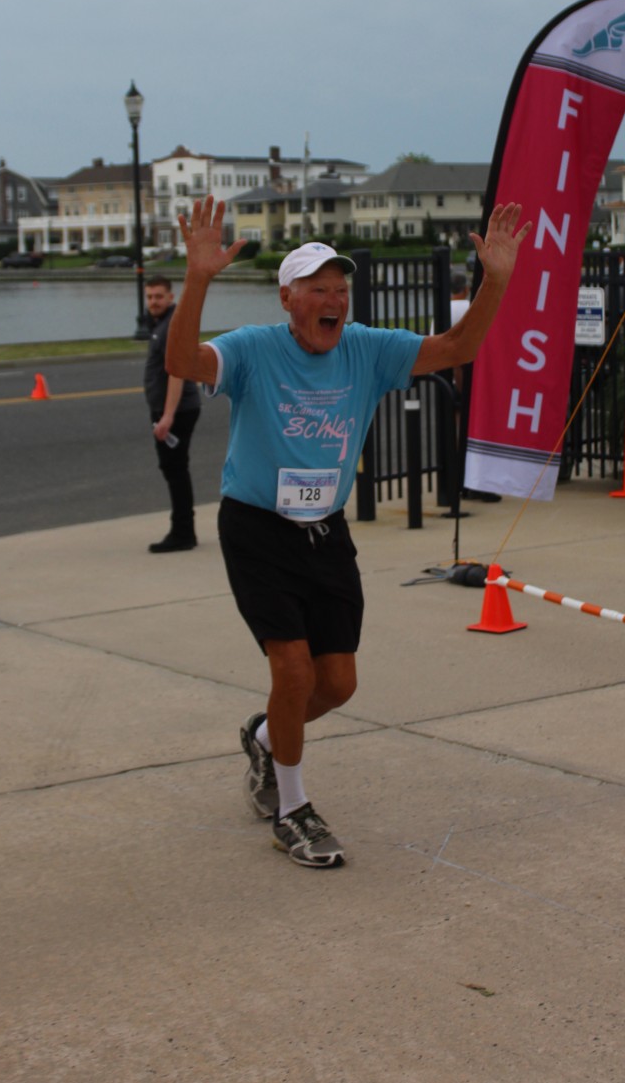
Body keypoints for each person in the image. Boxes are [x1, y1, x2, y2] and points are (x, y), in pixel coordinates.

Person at [166, 198, 530, 868]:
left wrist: (496, 280)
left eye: (340, 289)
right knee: (292, 669)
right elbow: (183, 360)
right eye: (318, 289)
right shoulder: (254, 349)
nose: (333, 300)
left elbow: (458, 348)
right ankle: (293, 809)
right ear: (287, 298)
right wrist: (197, 278)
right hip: (257, 527)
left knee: (336, 685)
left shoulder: (366, 348)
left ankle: (266, 740)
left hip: (325, 531)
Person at [144, 273, 200, 553]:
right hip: (170, 410)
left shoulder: (171, 326)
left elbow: (176, 372)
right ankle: (183, 529)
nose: (153, 301)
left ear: (170, 297)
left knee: (176, 470)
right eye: (149, 297)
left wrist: (167, 416)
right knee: (173, 469)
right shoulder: (161, 323)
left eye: (158, 296)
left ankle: (182, 532)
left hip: (177, 411)